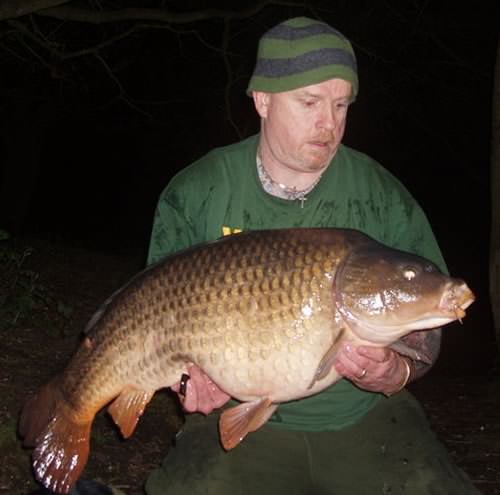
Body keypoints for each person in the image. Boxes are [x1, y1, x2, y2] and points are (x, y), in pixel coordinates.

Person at [41, 16, 476, 495]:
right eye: (309, 102)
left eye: (340, 104)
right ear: (263, 99)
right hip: (236, 423)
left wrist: (398, 370)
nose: (328, 123)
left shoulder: (382, 196)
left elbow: (428, 332)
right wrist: (190, 388)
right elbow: (149, 315)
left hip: (367, 421)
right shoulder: (197, 191)